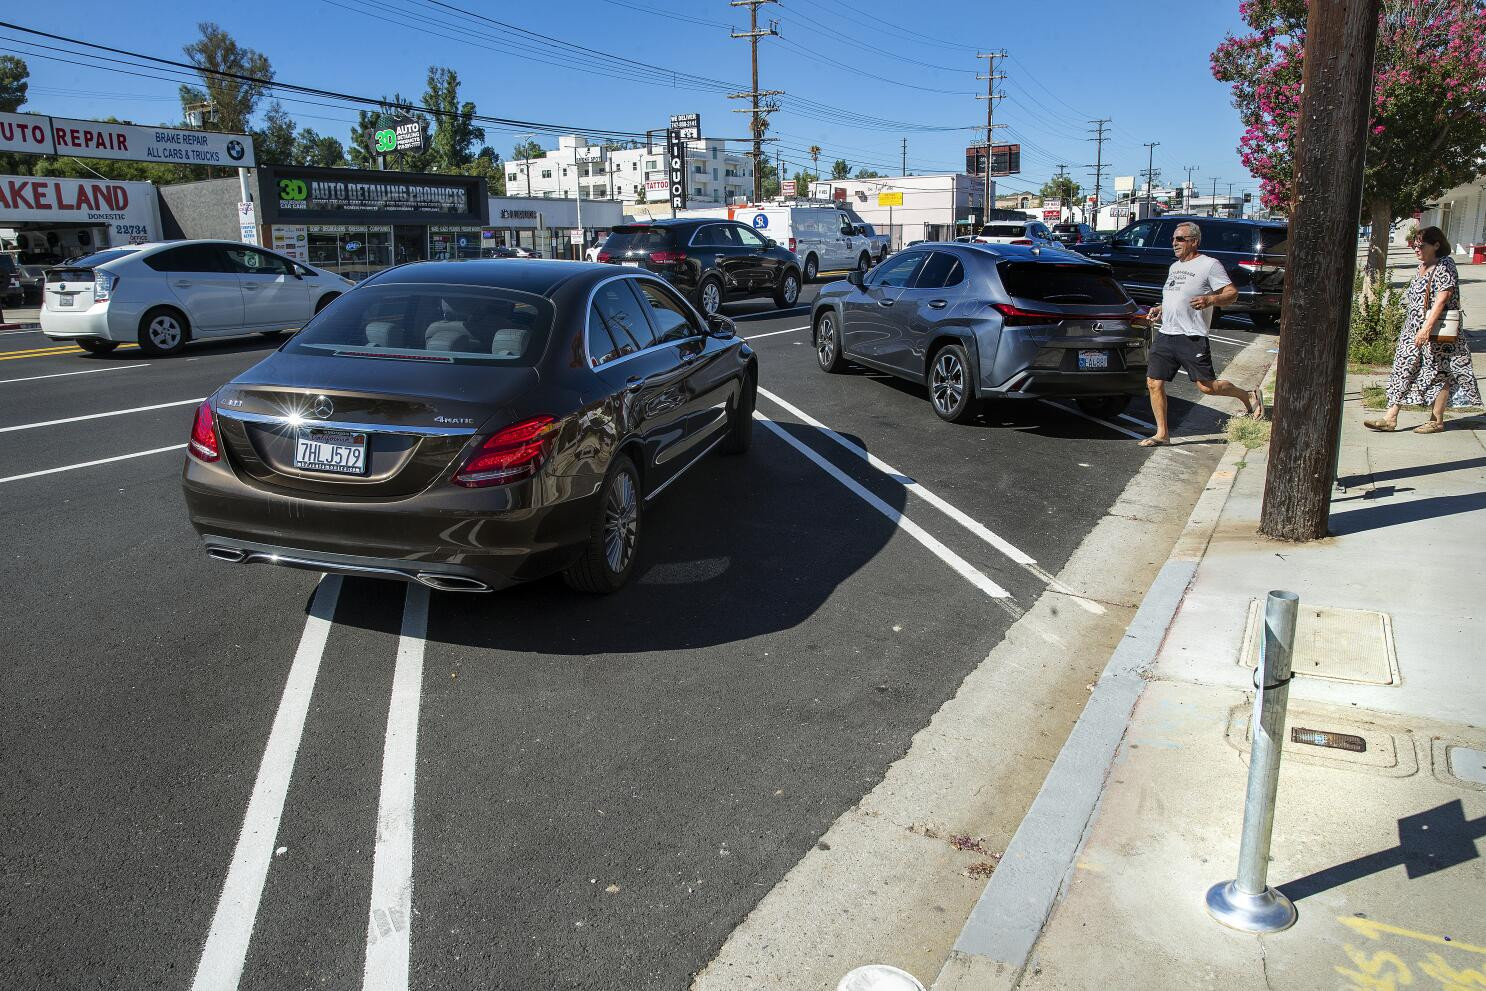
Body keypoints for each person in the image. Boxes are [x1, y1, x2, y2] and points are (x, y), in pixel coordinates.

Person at [1141, 221, 1264, 446]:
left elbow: (1232, 293)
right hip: (1167, 333)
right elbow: (1176, 297)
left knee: (1207, 387)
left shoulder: (1209, 265)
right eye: (1173, 239)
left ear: (1194, 241)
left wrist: (1210, 299)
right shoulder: (1174, 267)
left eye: (1180, 239)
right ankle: (1162, 434)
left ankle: (1247, 395)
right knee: (1153, 382)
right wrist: (1161, 308)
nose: (1174, 243)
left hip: (1192, 335)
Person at [1364, 226, 1479, 434]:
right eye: (1414, 246)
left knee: (1440, 372)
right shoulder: (1422, 266)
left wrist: (1425, 329)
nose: (1416, 249)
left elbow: (1442, 299)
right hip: (1413, 330)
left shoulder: (1445, 265)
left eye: (1420, 245)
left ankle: (1437, 420)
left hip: (1438, 332)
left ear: (1436, 245)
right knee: (1403, 368)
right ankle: (1390, 417)